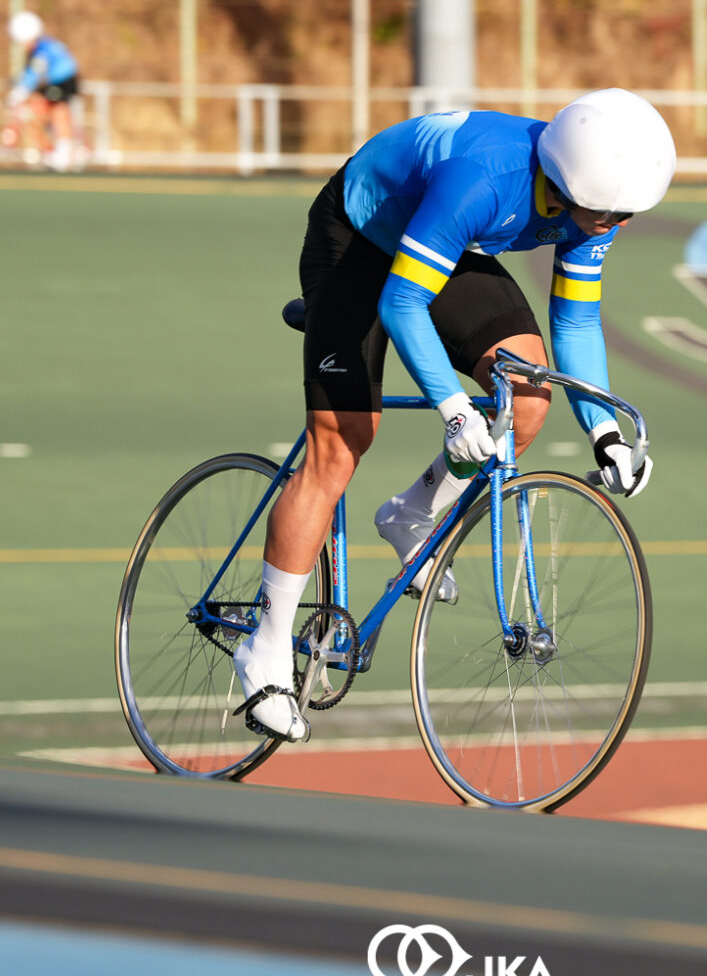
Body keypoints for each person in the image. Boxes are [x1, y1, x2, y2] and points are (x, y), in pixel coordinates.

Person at [233, 89, 675, 741]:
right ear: (566, 184)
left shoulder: (593, 205)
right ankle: (264, 653)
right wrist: (453, 409)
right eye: (608, 215)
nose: (617, 226)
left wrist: (603, 431)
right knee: (344, 443)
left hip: (442, 241)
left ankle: (411, 511)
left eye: (626, 214)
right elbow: (404, 303)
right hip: (357, 235)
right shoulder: (487, 181)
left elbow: (575, 319)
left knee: (525, 396)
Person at [6, 10, 78, 171]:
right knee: (37, 110)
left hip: (63, 82)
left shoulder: (41, 49)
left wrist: (19, 91)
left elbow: (34, 72)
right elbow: (32, 72)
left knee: (56, 111)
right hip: (57, 81)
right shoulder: (44, 44)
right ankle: (52, 150)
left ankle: (64, 152)